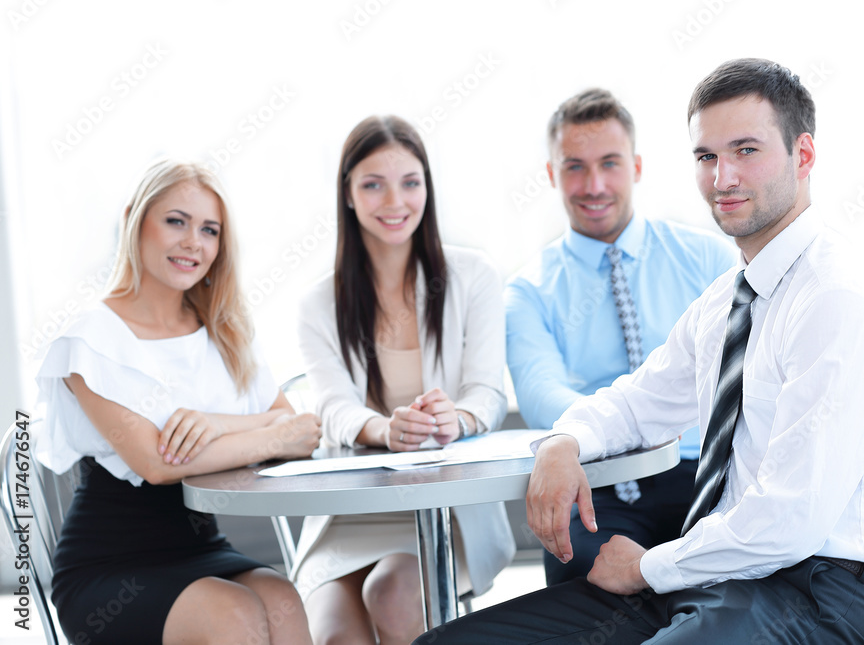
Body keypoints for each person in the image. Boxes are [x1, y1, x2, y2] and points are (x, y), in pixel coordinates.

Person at [416, 58, 864, 644]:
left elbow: (791, 520)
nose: (722, 177)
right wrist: (565, 440)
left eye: (746, 151)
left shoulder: (836, 298)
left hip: (812, 594)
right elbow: (640, 401)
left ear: (803, 156)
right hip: (720, 578)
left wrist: (648, 567)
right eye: (706, 157)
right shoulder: (728, 299)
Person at [34, 160, 321, 644]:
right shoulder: (88, 340)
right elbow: (158, 463)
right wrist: (268, 433)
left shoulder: (224, 333)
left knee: (283, 600)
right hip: (110, 563)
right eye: (176, 221)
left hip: (203, 546)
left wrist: (213, 422)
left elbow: (301, 434)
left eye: (209, 230)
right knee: (231, 612)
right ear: (133, 220)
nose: (194, 242)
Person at [291, 115, 515, 645]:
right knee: (333, 638)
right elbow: (331, 407)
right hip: (352, 511)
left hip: (443, 509)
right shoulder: (318, 304)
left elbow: (488, 392)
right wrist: (382, 430)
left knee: (391, 595)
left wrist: (455, 419)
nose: (395, 201)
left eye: (410, 182)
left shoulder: (472, 276)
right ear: (347, 194)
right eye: (373, 184)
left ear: (427, 188)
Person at [505, 88, 737, 585]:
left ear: (635, 166)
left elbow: (740, 375)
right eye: (574, 167)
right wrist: (611, 430)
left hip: (704, 473)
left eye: (609, 163)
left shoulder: (710, 259)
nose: (594, 185)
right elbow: (541, 395)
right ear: (551, 174)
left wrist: (653, 420)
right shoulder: (528, 291)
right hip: (597, 485)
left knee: (728, 586)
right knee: (589, 584)